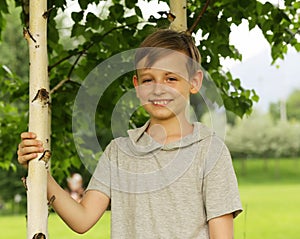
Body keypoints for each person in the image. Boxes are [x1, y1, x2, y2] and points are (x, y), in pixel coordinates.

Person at [17, 29, 242, 238]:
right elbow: (82, 220)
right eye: (148, 79)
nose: (158, 88)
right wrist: (40, 172)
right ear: (137, 85)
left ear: (194, 82)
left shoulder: (210, 151)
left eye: (171, 78)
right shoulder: (119, 152)